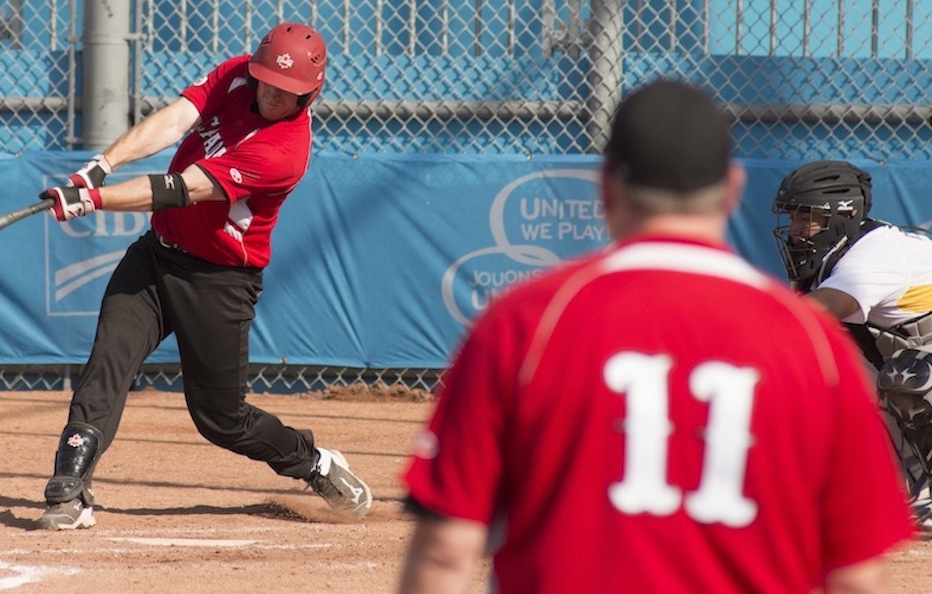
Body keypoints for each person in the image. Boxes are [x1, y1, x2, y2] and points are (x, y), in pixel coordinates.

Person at [398, 80, 913, 593]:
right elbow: (856, 577)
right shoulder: (809, 341)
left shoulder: (525, 321)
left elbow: (446, 553)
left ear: (605, 187)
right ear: (733, 190)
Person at [32, 21, 372, 530]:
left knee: (222, 420)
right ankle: (70, 483)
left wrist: (93, 200)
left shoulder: (285, 153)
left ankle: (313, 462)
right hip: (156, 255)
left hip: (218, 281)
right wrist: (99, 166)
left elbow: (181, 188)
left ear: (310, 94)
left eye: (288, 92)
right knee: (108, 358)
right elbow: (174, 121)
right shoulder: (240, 75)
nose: (273, 95)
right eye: (267, 83)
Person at [772, 159, 932, 530]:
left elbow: (811, 315)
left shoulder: (877, 253)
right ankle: (902, 488)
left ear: (841, 217)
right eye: (792, 218)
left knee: (911, 375)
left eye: (806, 218)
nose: (795, 231)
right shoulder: (831, 262)